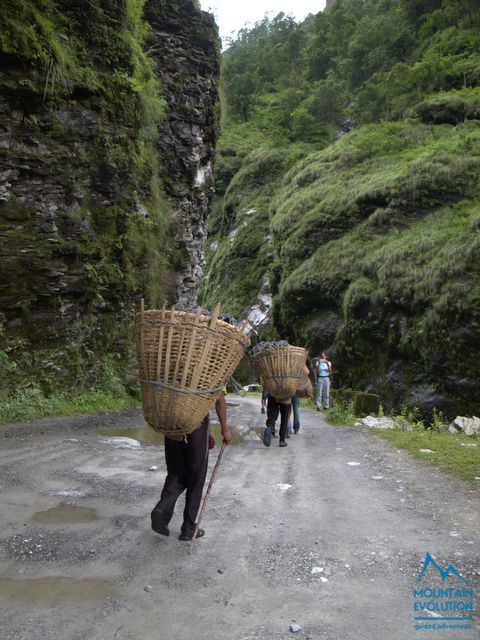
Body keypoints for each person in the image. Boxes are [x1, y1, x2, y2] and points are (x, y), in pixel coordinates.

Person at [150, 391, 232, 541]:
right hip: (195, 424)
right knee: (196, 476)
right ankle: (188, 527)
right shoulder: (210, 369)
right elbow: (219, 398)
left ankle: (162, 508)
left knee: (176, 472)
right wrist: (225, 429)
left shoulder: (172, 369)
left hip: (171, 422)